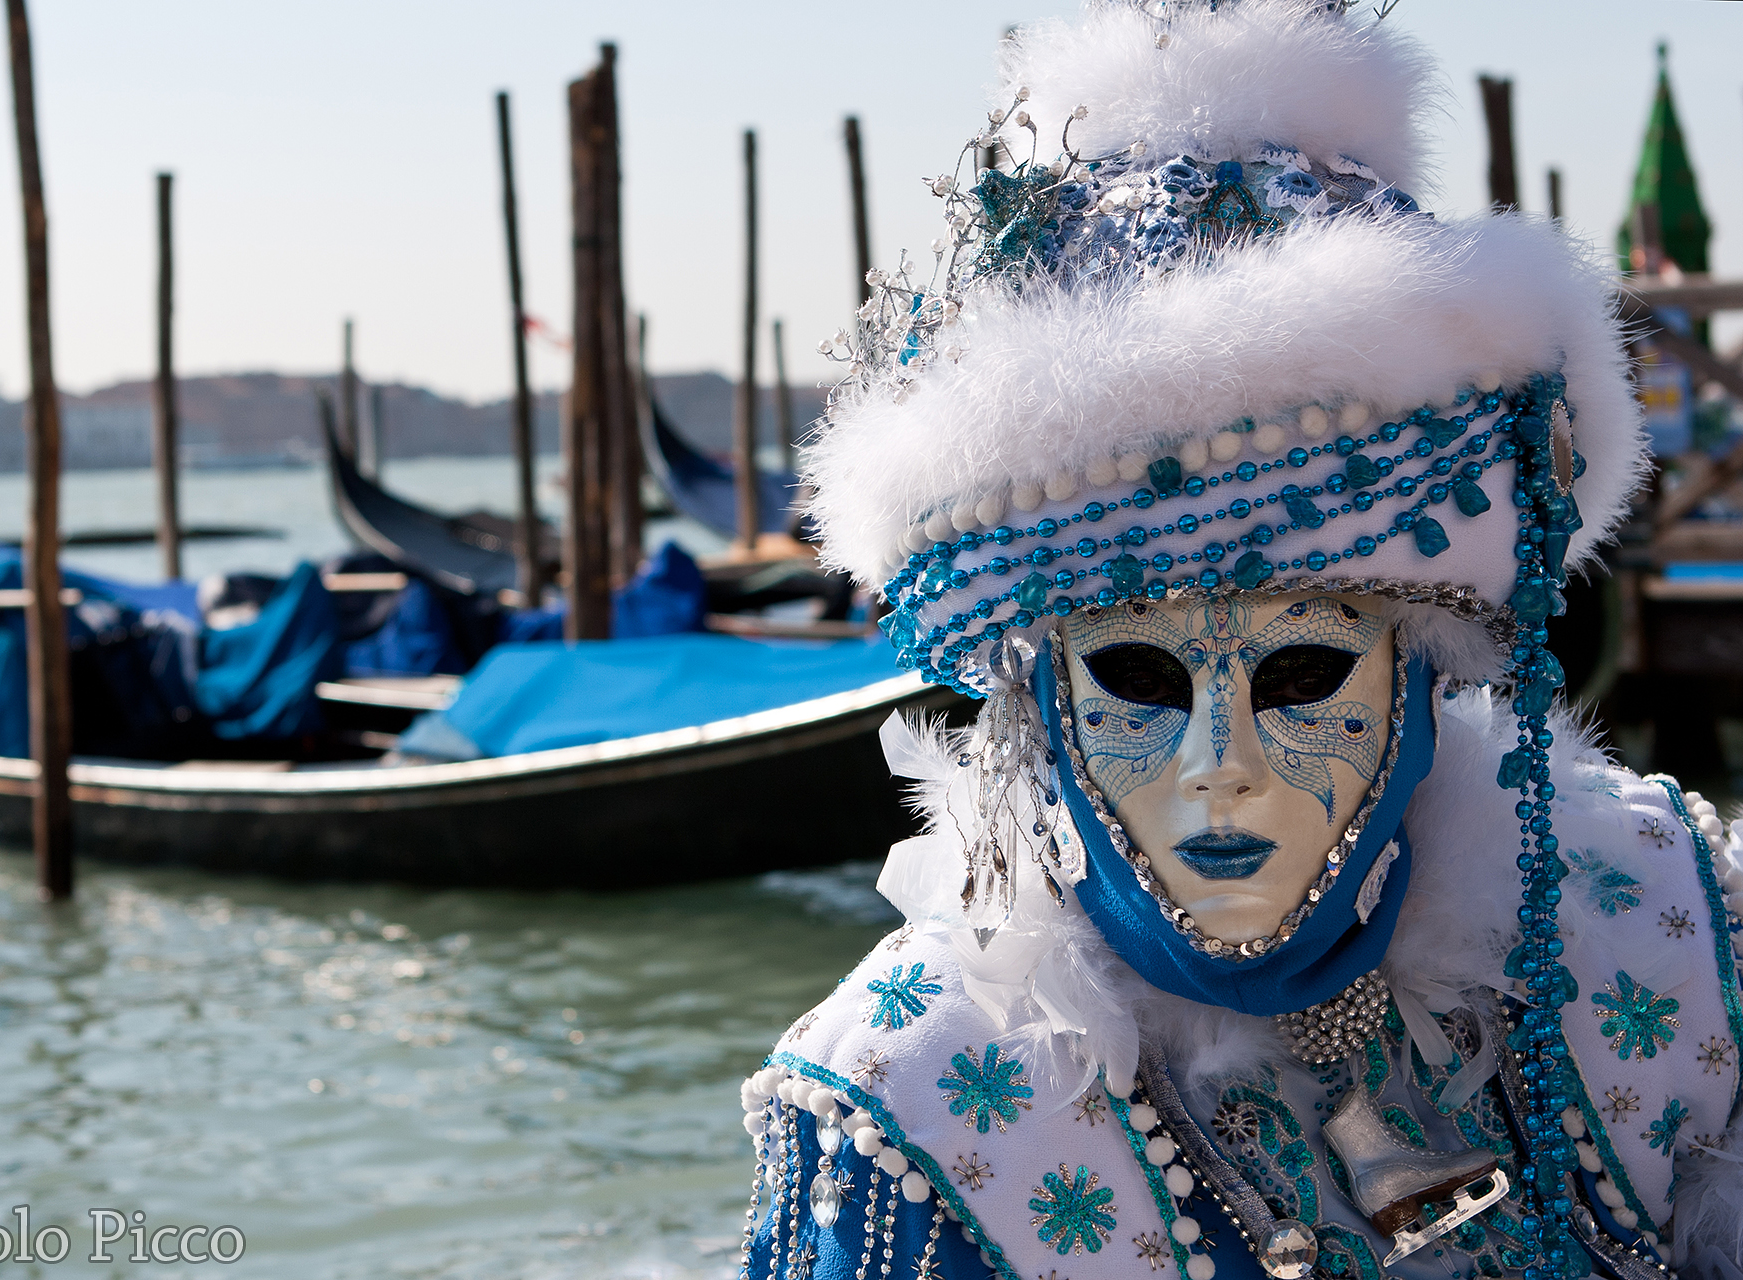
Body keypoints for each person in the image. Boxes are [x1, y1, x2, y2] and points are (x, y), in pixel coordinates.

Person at [734, 3, 1743, 1277]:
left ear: (1419, 673)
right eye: (1140, 676)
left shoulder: (1655, 925)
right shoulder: (924, 1099)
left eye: (1305, 671)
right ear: (1040, 700)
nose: (1224, 762)